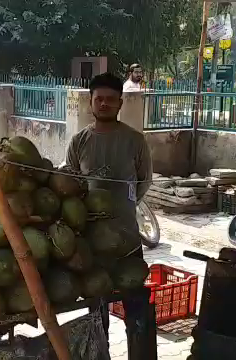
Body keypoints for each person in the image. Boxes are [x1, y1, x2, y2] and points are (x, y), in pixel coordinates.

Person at [65, 72, 157, 360]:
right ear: (90, 102)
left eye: (110, 99)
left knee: (136, 305)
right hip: (91, 240)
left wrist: (124, 207)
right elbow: (70, 183)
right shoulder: (79, 141)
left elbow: (144, 180)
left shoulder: (135, 140)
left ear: (120, 103)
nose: (104, 104)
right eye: (98, 99)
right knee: (97, 308)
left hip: (128, 237)